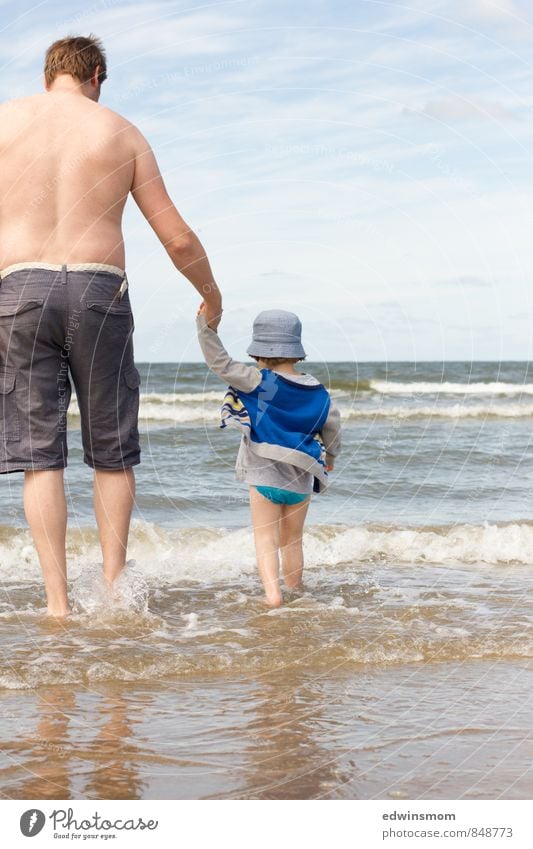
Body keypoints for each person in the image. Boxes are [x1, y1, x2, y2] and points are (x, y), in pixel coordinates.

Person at [0, 35, 222, 617]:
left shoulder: (4, 123)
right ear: (96, 75)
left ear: (49, 75)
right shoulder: (120, 131)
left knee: (39, 457)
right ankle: (115, 591)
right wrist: (211, 295)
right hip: (98, 290)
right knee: (112, 451)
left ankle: (57, 606)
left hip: (19, 288)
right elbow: (176, 236)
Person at [197, 304, 341, 607]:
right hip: (302, 477)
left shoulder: (258, 380)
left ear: (258, 351)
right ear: (297, 351)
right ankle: (295, 591)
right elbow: (332, 425)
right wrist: (331, 458)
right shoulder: (318, 391)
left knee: (266, 540)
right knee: (293, 540)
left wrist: (205, 326)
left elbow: (219, 362)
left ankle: (273, 596)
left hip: (264, 476)